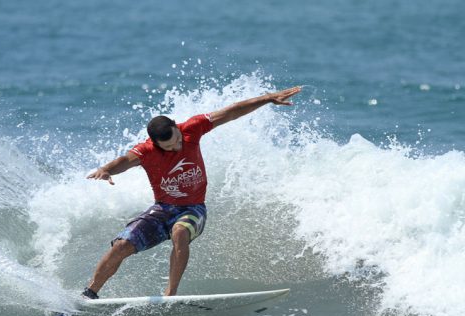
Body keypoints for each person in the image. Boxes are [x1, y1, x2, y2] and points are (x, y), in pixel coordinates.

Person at [82, 86, 302, 298]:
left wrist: (267, 99)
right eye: (168, 147)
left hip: (194, 209)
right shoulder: (146, 151)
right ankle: (90, 293)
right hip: (162, 209)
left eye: (177, 141)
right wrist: (106, 170)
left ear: (178, 128)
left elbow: (231, 112)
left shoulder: (191, 128)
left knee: (180, 231)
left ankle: (170, 294)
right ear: (155, 143)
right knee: (121, 245)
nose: (177, 147)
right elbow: (123, 161)